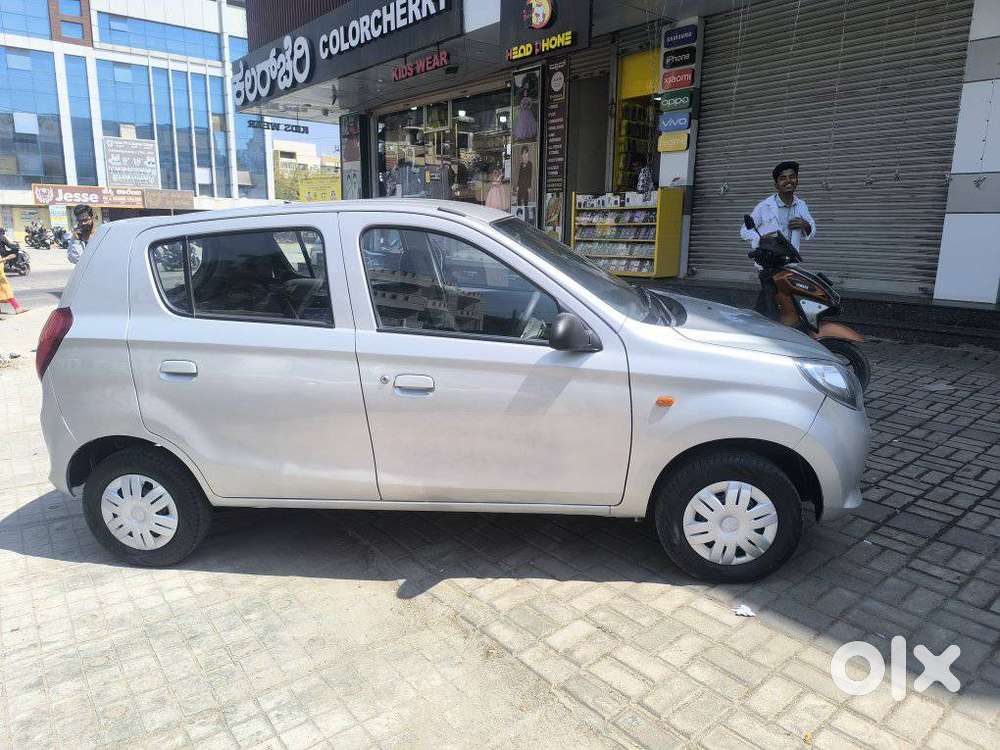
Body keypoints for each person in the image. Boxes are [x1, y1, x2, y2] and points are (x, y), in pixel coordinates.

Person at [740, 161, 817, 320]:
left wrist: (806, 225)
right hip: (768, 265)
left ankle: (756, 324)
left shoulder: (801, 205)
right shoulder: (764, 206)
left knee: (782, 304)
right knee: (771, 304)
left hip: (789, 265)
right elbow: (744, 231)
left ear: (797, 180)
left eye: (792, 177)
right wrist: (761, 240)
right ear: (776, 184)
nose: (788, 181)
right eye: (783, 178)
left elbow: (812, 230)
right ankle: (763, 329)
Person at [0, 227, 26, 316]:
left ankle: (17, 307)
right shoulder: (2, 237)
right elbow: (11, 246)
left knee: (2, 287)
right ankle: (17, 308)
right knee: (5, 286)